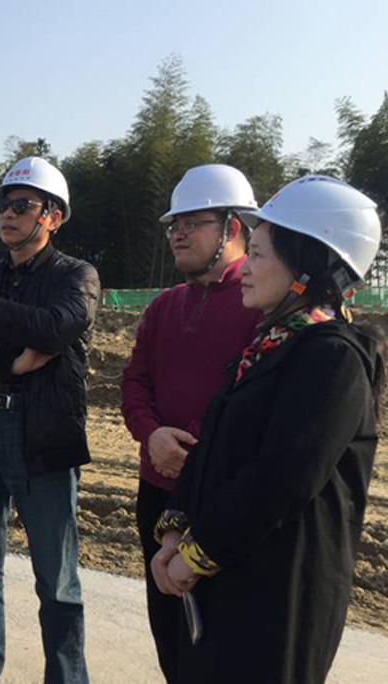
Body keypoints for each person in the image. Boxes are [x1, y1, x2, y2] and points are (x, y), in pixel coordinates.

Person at [151, 175, 384, 683]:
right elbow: (212, 445)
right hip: (227, 576)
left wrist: (198, 552)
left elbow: (281, 478)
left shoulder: (333, 359)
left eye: (257, 254)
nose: (247, 267)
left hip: (277, 594)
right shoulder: (269, 346)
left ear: (307, 266)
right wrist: (174, 528)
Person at [0, 156, 100, 684]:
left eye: (22, 205)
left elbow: (55, 327)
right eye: (3, 205)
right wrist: (9, 364)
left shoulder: (75, 276)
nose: (7, 214)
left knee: (57, 580)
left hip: (42, 435)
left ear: (52, 216)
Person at [121, 164, 262, 682]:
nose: (178, 234)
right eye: (174, 225)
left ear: (232, 227)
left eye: (192, 223)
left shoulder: (262, 305)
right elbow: (134, 382)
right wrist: (151, 433)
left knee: (224, 640)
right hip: (158, 490)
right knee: (170, 631)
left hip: (223, 500)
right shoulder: (164, 306)